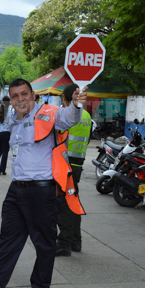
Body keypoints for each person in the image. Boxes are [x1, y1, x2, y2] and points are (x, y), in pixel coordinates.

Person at [0, 78, 87, 288]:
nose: (20, 99)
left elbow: (69, 118)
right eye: (15, 96)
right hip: (16, 189)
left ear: (33, 95)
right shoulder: (13, 118)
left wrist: (77, 105)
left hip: (41, 190)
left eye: (24, 94)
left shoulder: (50, 113)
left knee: (44, 242)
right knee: (8, 237)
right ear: (11, 99)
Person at [55, 84, 92, 257]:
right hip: (78, 163)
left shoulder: (67, 115)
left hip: (65, 164)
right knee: (73, 202)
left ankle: (64, 244)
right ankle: (76, 242)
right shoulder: (86, 115)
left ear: (65, 98)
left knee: (65, 206)